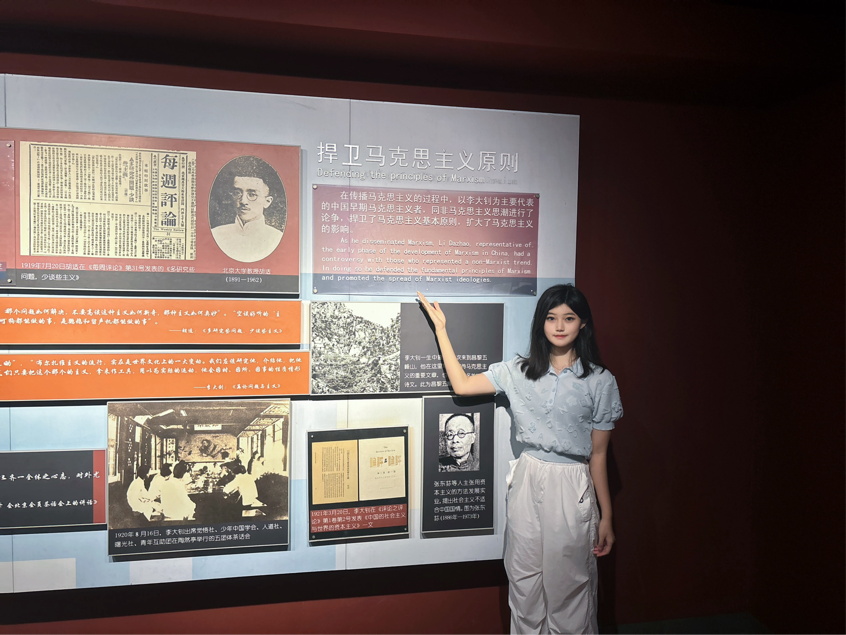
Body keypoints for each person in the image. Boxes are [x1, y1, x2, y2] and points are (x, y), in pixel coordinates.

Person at [418, 284, 623, 635]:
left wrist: (607, 515)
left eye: (569, 318)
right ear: (541, 323)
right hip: (527, 477)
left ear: (583, 324)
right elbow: (463, 385)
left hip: (572, 482)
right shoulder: (518, 371)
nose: (560, 326)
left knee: (569, 586)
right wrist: (441, 330)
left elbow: (599, 454)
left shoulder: (600, 381)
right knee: (524, 581)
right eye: (551, 318)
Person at [210, 156, 285, 263]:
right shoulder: (216, 234)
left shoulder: (277, 238)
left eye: (252, 194)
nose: (243, 201)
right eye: (237, 193)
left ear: (267, 201)